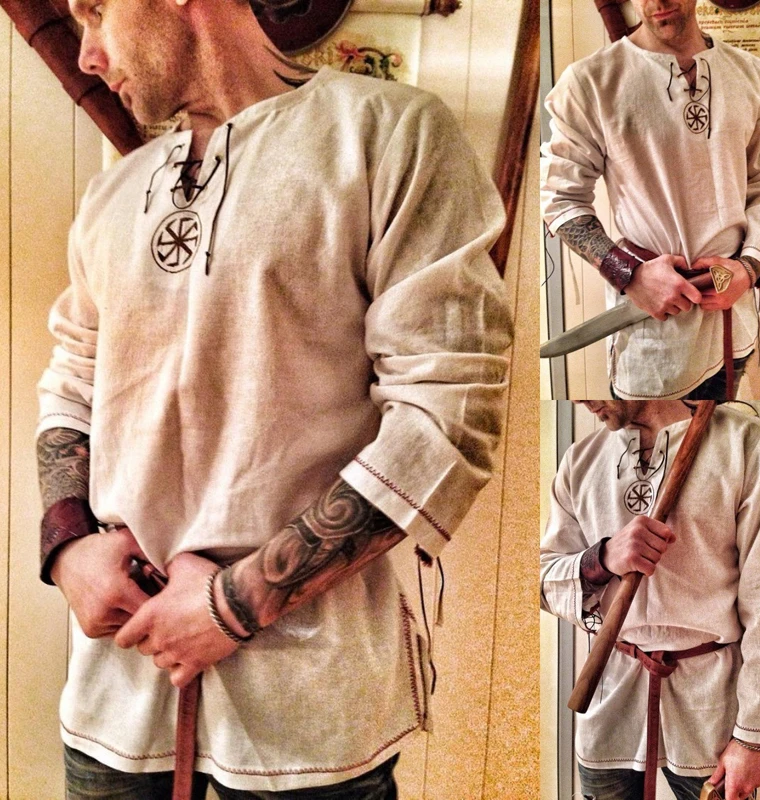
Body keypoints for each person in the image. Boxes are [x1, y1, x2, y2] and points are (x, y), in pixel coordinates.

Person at [35, 0, 513, 797]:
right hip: (117, 693)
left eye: (95, 11)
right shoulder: (114, 192)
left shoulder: (387, 134)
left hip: (308, 716)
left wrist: (233, 605)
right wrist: (67, 545)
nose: (88, 54)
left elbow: (447, 413)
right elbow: (72, 380)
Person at [540, 0, 760, 400]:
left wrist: (749, 267)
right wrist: (630, 275)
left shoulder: (751, 74)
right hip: (653, 334)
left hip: (732, 316)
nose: (657, 2)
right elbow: (561, 199)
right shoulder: (590, 82)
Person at [540, 401, 760, 800]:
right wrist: (601, 558)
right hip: (609, 703)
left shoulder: (746, 443)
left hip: (709, 711)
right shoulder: (580, 461)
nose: (584, 401)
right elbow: (543, 580)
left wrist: (755, 737)